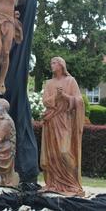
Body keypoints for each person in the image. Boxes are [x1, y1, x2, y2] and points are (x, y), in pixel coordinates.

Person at [40, 56, 85, 196]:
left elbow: (79, 101)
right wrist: (56, 97)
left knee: (64, 151)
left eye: (54, 63)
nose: (52, 65)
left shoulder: (70, 81)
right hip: (51, 121)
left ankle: (71, 183)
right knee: (51, 154)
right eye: (51, 63)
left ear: (61, 65)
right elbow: (45, 101)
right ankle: (53, 183)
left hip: (65, 121)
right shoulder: (49, 83)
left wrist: (64, 96)